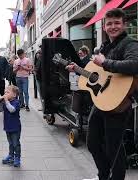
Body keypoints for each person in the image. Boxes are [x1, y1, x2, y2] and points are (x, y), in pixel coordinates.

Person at [66, 9, 138, 180]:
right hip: (101, 101)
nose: (113, 27)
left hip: (119, 103)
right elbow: (98, 74)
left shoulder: (130, 44)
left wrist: (106, 62)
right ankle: (103, 176)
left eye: (117, 23)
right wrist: (77, 69)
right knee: (92, 143)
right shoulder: (105, 46)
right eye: (109, 23)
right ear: (104, 26)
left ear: (124, 24)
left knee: (114, 147)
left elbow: (134, 65)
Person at [0, 85, 21, 167]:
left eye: (7, 92)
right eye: (5, 92)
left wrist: (6, 101)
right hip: (7, 126)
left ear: (14, 95)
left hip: (15, 127)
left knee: (16, 143)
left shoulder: (16, 102)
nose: (5, 94)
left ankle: (17, 158)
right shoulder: (5, 102)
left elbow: (12, 110)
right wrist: (1, 102)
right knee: (10, 143)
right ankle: (11, 156)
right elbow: (0, 110)